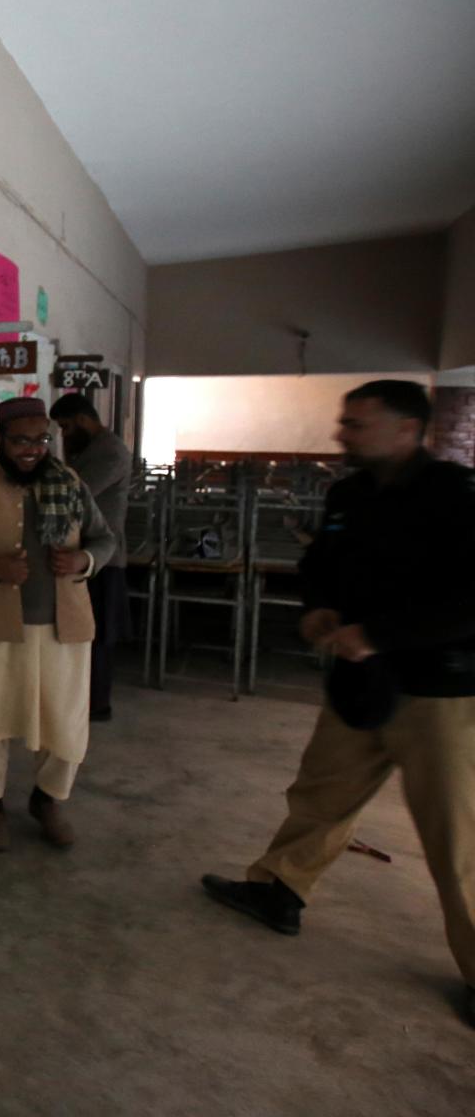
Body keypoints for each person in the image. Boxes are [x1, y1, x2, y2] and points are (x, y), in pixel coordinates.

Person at [201, 380, 475, 1031]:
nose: (341, 434)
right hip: (361, 678)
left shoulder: (455, 497)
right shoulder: (348, 493)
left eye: (357, 424)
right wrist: (319, 605)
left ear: (408, 430)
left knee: (455, 832)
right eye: (344, 422)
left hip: (438, 688)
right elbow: (322, 562)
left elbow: (469, 601)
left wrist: (379, 635)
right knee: (322, 794)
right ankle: (279, 891)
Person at [0, 396, 117, 852]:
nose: (32, 449)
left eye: (41, 439)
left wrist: (84, 559)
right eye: (21, 440)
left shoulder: (69, 482)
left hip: (63, 627)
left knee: (64, 722)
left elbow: (105, 538)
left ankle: (47, 800)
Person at [50, 393, 133, 722]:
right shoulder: (90, 449)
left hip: (102, 558)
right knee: (83, 631)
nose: (65, 435)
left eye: (67, 427)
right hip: (83, 555)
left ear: (84, 419)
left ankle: (96, 704)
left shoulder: (110, 452)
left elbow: (76, 493)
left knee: (96, 634)